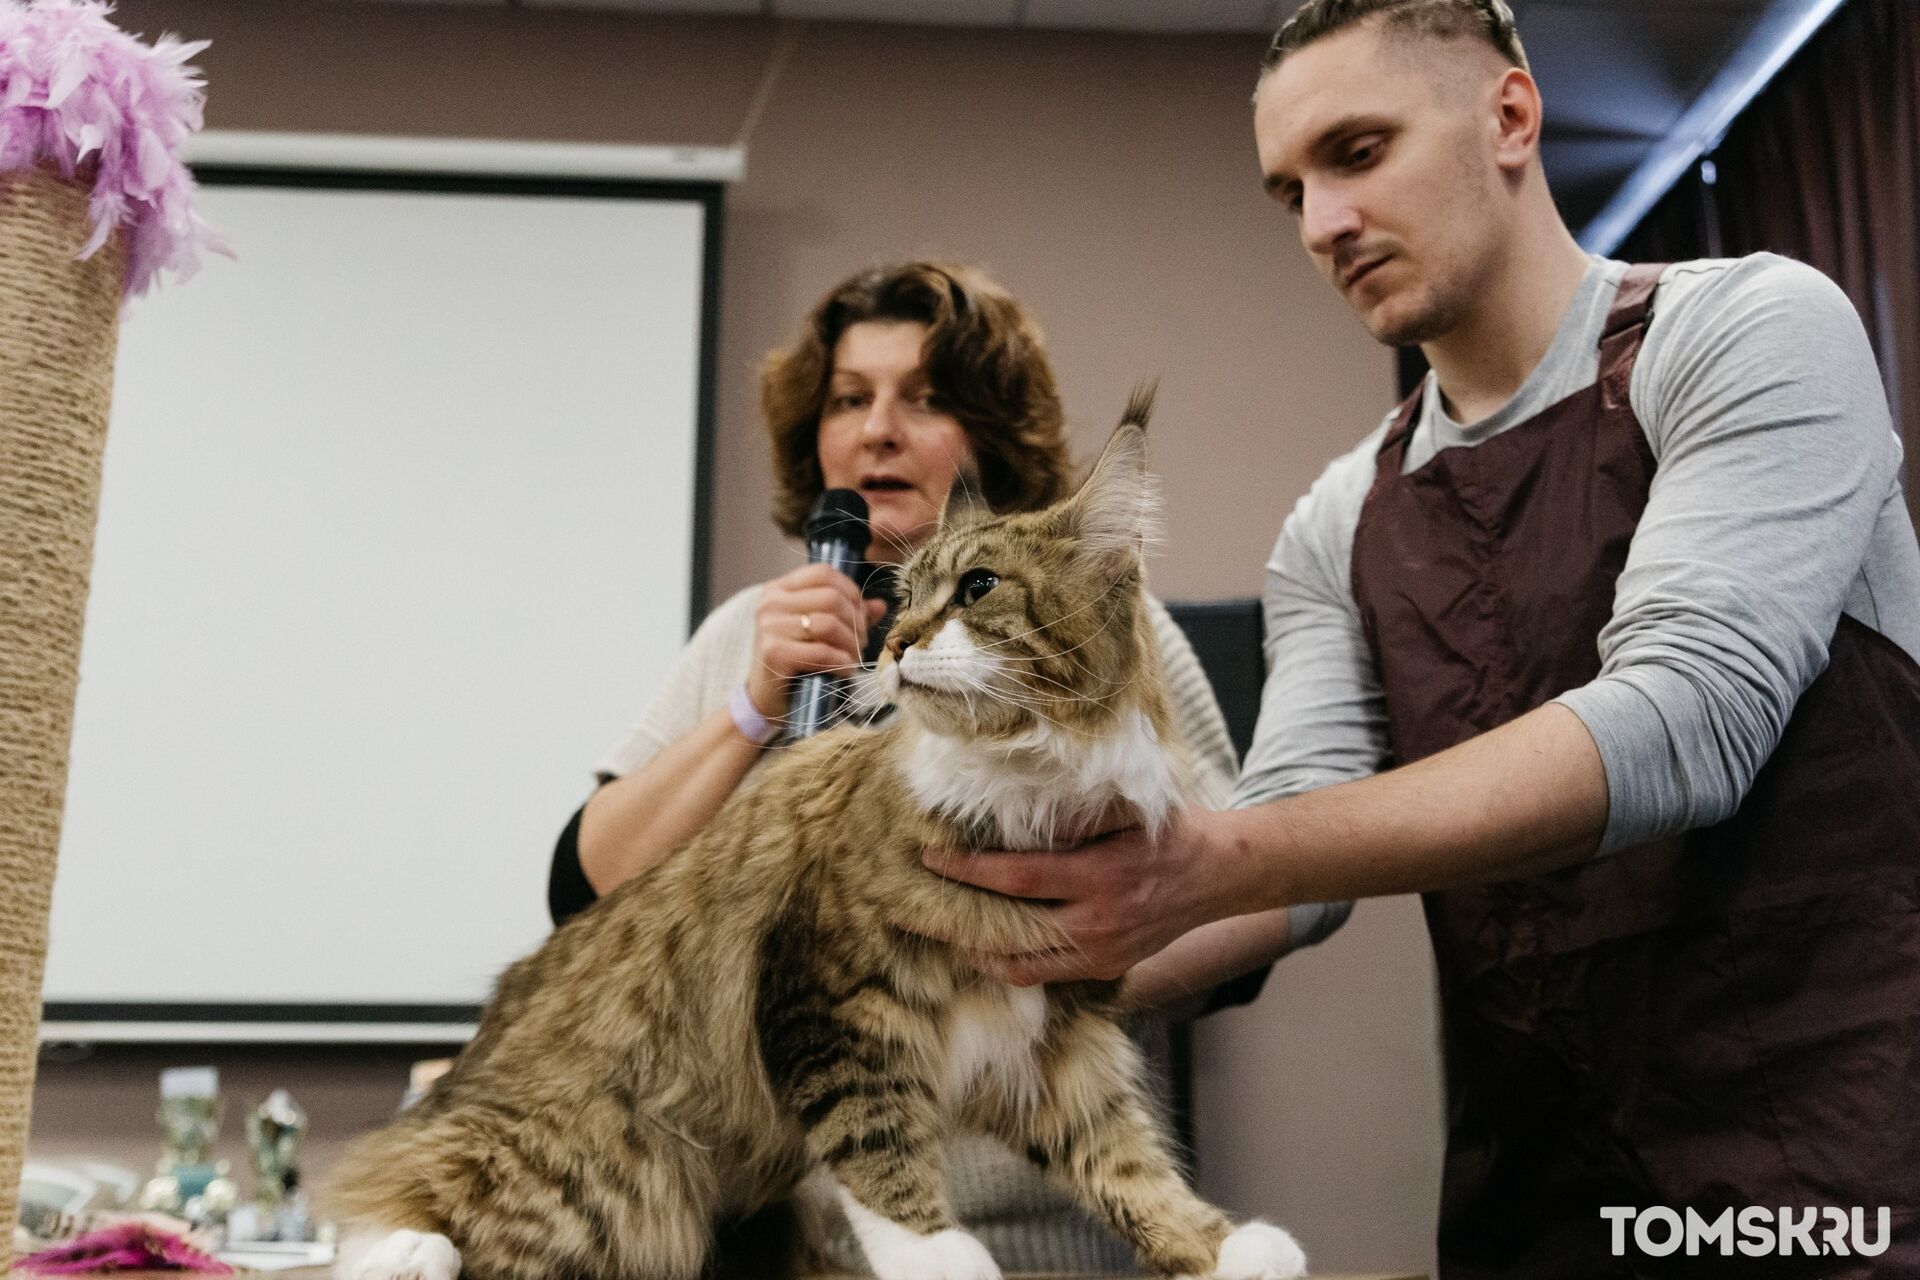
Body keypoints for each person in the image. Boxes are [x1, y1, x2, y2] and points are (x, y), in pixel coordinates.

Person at [923, 2, 1920, 1274]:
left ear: (1510, 115)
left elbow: (1687, 721)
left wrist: (1211, 857)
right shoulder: (1340, 518)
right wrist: (1009, 957)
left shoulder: (1749, 332)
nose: (1320, 225)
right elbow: (1303, 838)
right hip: (1544, 1195)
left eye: (1357, 152)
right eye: (1289, 190)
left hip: (1837, 1178)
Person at [545, 260, 1241, 1273]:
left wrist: (1023, 964)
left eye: (923, 397)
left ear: (989, 438)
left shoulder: (1102, 632)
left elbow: (1248, 901)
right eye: (848, 399)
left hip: (1033, 1240)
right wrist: (751, 705)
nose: (877, 428)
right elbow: (584, 886)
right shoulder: (753, 629)